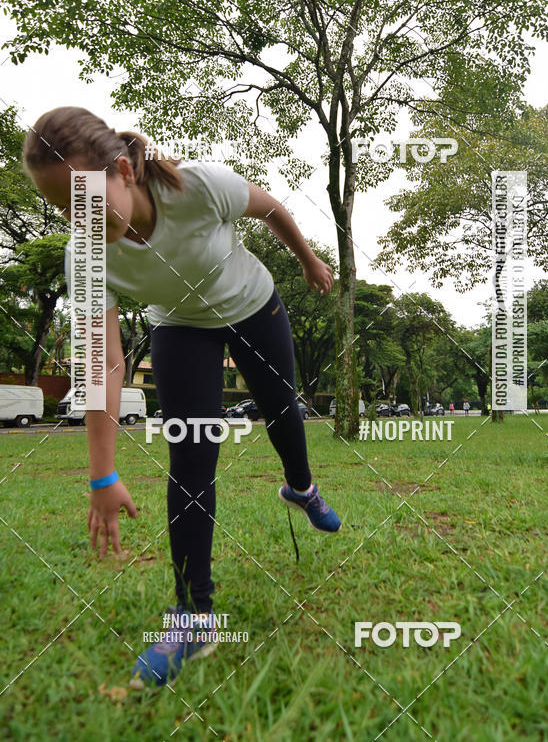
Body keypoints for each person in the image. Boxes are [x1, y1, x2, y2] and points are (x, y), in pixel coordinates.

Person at [23, 106, 341, 688]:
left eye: (84, 200)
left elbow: (270, 207)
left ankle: (302, 488)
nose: (79, 221)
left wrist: (309, 259)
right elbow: (104, 364)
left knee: (282, 413)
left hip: (252, 305)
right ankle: (194, 617)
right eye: (63, 210)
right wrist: (101, 475)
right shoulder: (85, 254)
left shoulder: (197, 187)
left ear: (122, 169)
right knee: (191, 453)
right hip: (180, 325)